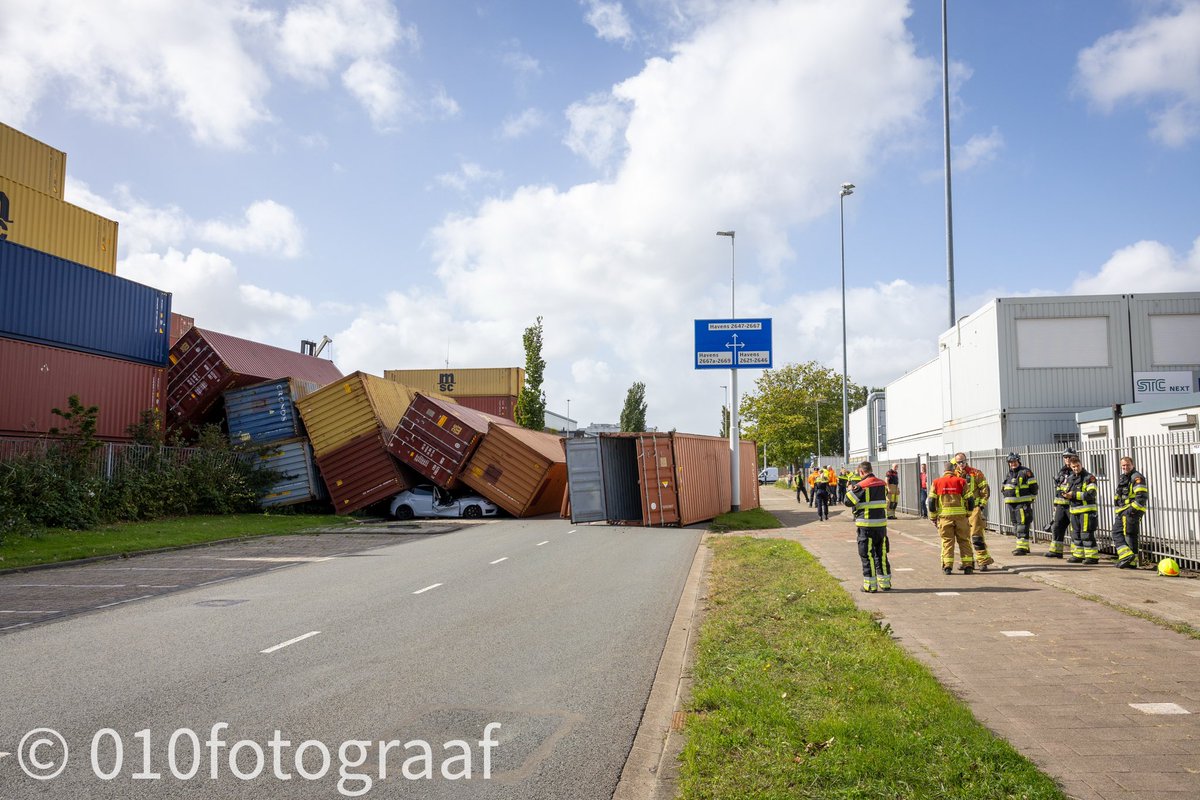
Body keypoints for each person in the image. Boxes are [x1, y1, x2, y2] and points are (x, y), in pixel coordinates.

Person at [844, 461, 891, 592]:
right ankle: (885, 583)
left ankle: (870, 585)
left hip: (866, 526)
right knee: (881, 554)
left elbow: (847, 501)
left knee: (867, 555)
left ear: (861, 472)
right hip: (881, 525)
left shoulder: (861, 485)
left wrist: (849, 490)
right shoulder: (882, 484)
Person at [928, 460, 974, 575]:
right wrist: (968, 513)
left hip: (945, 518)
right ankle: (968, 566)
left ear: (944, 471)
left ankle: (947, 567)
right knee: (964, 541)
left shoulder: (937, 482)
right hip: (961, 518)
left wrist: (933, 517)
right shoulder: (961, 481)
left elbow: (931, 501)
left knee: (947, 542)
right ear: (954, 470)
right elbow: (970, 499)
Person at [954, 452, 995, 569]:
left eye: (962, 461)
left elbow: (985, 490)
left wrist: (981, 505)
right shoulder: (954, 475)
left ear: (966, 460)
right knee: (963, 537)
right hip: (960, 510)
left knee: (976, 536)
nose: (961, 464)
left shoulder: (975, 473)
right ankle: (967, 561)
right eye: (958, 462)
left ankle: (983, 561)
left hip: (974, 510)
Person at [1111, 456, 1149, 569]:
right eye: (1123, 465)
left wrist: (1131, 510)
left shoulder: (1137, 477)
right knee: (1119, 533)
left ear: (1132, 465)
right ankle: (1128, 558)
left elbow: (1141, 496)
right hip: (1123, 511)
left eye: (1127, 465)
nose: (1125, 467)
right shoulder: (1124, 477)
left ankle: (1130, 561)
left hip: (1131, 511)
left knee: (1129, 535)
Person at [1062, 455, 1100, 564]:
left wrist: (1073, 495)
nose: (1075, 469)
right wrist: (1064, 494)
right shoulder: (1070, 478)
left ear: (1081, 464)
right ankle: (1078, 555)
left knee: (1086, 534)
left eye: (1077, 466)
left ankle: (1092, 557)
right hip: (1074, 511)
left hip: (1086, 512)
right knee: (1076, 534)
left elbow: (1091, 494)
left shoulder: (1089, 478)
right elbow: (1065, 489)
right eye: (1073, 467)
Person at [1001, 452, 1038, 555]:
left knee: (1022, 525)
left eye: (1014, 461)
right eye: (1010, 462)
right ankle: (1024, 546)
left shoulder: (1026, 472)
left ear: (1018, 461)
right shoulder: (1009, 473)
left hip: (1022, 504)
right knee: (1016, 525)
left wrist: (1030, 499)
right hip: (1011, 504)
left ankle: (1022, 548)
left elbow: (1034, 487)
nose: (1012, 463)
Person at [1044, 447, 1077, 559]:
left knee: (1074, 529)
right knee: (1056, 527)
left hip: (1072, 505)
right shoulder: (1062, 470)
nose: (1067, 459)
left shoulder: (1077, 470)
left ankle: (1076, 553)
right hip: (1060, 505)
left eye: (1069, 456)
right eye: (1065, 457)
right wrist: (1055, 506)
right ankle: (1056, 551)